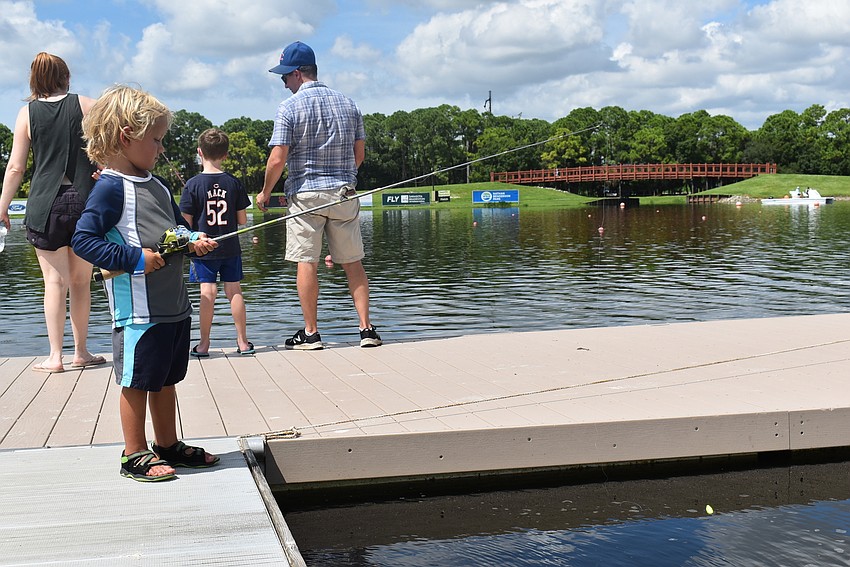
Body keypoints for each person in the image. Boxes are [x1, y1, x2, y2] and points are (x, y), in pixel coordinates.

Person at [72, 85, 219, 482]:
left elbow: (174, 228)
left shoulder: (156, 184)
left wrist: (192, 241)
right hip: (138, 311)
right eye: (155, 140)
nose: (160, 148)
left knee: (166, 378)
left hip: (173, 304)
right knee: (137, 381)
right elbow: (83, 241)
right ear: (125, 137)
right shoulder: (110, 188)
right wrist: (136, 258)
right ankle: (133, 452)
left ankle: (167, 444)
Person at [256, 40, 382, 350]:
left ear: (298, 74)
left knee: (307, 262)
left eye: (285, 77)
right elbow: (359, 154)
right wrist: (342, 176)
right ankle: (366, 330)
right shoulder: (348, 103)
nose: (284, 83)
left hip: (305, 194)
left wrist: (265, 193)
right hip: (344, 193)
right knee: (353, 262)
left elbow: (277, 158)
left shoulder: (289, 107)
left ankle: (311, 334)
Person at [0, 52, 104, 373]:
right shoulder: (87, 105)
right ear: (67, 76)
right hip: (85, 203)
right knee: (81, 282)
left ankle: (55, 356)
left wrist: (2, 207)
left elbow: (16, 167)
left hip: (45, 205)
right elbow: (105, 152)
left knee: (54, 283)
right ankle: (81, 352)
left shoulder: (25, 114)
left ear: (34, 80)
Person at [179, 128, 253, 357]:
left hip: (203, 248)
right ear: (226, 154)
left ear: (199, 152)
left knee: (207, 292)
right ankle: (242, 342)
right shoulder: (234, 182)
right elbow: (241, 220)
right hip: (230, 246)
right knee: (234, 291)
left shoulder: (192, 185)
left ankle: (203, 344)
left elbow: (185, 225)